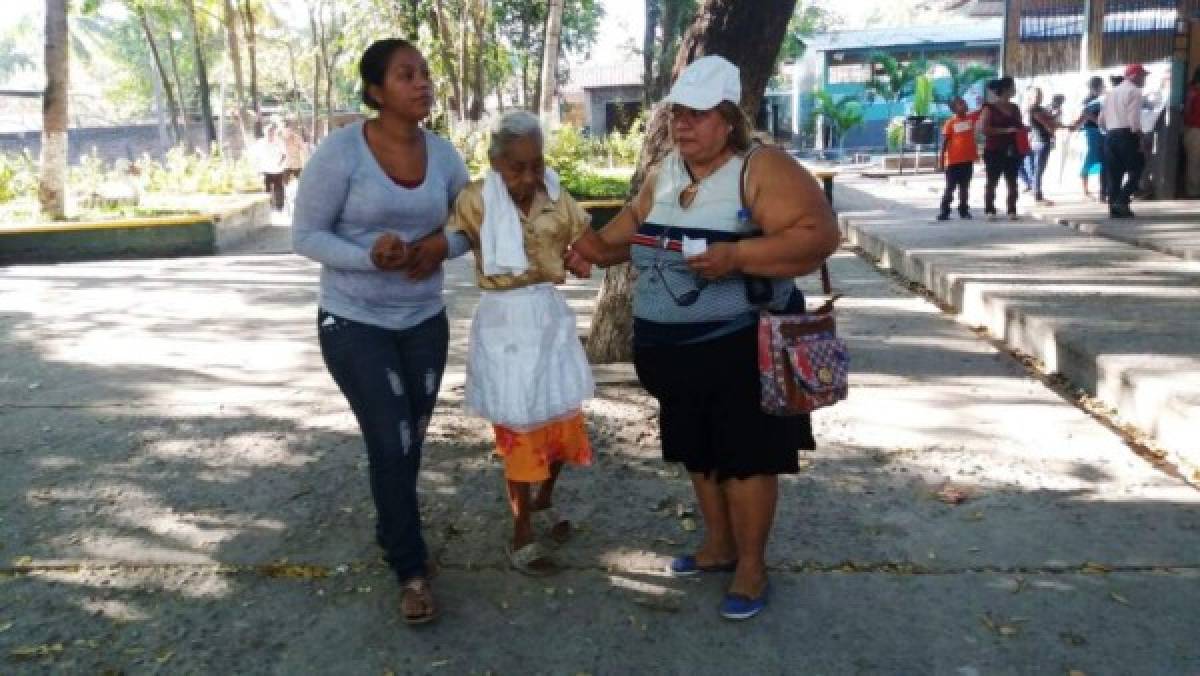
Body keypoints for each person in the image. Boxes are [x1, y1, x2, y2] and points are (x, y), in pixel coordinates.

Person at [567, 55, 840, 621]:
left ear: (729, 119)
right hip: (673, 353)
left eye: (696, 115)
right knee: (699, 453)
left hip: (739, 346)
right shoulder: (667, 170)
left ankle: (751, 567)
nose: (681, 126)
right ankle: (718, 547)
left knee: (746, 459)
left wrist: (738, 255)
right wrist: (587, 248)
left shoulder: (759, 168)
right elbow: (628, 230)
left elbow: (819, 237)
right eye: (676, 116)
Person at [291, 38, 470, 625]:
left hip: (423, 320)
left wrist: (442, 244)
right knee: (390, 439)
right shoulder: (340, 154)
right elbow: (306, 236)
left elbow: (470, 224)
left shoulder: (443, 157)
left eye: (424, 73)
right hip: (353, 322)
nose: (422, 84)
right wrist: (371, 254)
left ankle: (394, 528)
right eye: (405, 75)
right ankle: (410, 568)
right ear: (375, 91)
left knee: (410, 437)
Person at [445, 111, 595, 576]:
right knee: (520, 429)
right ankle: (522, 533)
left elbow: (585, 237)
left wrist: (582, 254)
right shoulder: (475, 200)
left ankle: (545, 502)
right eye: (516, 168)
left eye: (536, 164)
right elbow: (449, 240)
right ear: (495, 163)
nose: (528, 177)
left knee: (561, 415)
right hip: (505, 320)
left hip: (548, 317)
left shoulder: (554, 194)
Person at [1099, 63, 1149, 218]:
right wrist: (1141, 137)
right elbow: (1134, 120)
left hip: (1110, 135)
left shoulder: (1112, 92)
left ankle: (1114, 209)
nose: (1144, 79)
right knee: (1137, 169)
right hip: (1127, 135)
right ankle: (1122, 200)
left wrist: (1110, 131)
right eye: (1143, 76)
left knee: (1114, 174)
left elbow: (1101, 119)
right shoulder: (1134, 91)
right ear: (1134, 76)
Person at [978, 77, 1025, 221]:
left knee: (1012, 181)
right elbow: (984, 129)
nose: (1014, 90)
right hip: (994, 150)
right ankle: (990, 209)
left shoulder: (1015, 108)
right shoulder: (989, 108)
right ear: (1005, 89)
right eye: (1012, 87)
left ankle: (1012, 209)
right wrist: (1005, 131)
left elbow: (1019, 125)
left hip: (1013, 149)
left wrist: (1022, 130)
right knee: (992, 181)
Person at [937, 96, 979, 221]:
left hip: (967, 160)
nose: (964, 104)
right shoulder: (950, 123)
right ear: (954, 109)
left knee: (965, 188)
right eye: (961, 104)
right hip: (953, 162)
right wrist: (941, 161)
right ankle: (945, 211)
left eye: (965, 102)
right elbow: (944, 142)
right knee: (950, 187)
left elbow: (981, 111)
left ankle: (964, 210)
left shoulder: (970, 119)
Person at [1071, 76, 1107, 200]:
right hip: (1090, 132)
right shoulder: (1088, 100)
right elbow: (1084, 114)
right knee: (1087, 160)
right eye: (1101, 86)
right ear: (1094, 87)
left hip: (1100, 131)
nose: (1103, 88)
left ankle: (1102, 190)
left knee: (1102, 161)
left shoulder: (1101, 98)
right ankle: (1085, 190)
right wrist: (1097, 121)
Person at [1024, 87, 1061, 204]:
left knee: (1039, 169)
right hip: (1039, 141)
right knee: (1038, 169)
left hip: (1041, 140)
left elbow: (1050, 119)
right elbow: (1046, 122)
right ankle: (1037, 195)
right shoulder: (1033, 109)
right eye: (1036, 95)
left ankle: (1036, 191)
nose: (1039, 97)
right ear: (1031, 97)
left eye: (1040, 95)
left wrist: (1055, 118)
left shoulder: (1040, 108)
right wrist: (1053, 126)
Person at [250, 123, 287, 211]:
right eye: (268, 132)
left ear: (274, 133)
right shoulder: (261, 142)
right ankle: (268, 207)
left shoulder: (279, 141)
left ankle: (279, 207)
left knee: (279, 189)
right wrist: (257, 167)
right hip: (265, 169)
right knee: (266, 189)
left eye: (272, 132)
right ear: (265, 133)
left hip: (277, 170)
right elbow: (255, 155)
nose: (270, 134)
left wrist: (280, 163)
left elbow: (284, 154)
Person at [1184, 67, 1200, 198]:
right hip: (1195, 130)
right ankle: (1193, 192)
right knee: (1194, 162)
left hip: (1194, 129)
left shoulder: (1192, 92)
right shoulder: (1193, 93)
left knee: (1194, 162)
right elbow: (1188, 113)